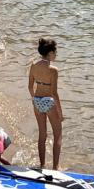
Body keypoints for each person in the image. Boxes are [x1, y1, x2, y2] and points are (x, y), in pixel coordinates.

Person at [28, 37, 63, 170]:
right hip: (49, 102)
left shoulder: (33, 65)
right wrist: (60, 112)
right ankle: (56, 167)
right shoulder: (53, 70)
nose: (56, 55)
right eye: (55, 52)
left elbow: (30, 87)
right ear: (49, 53)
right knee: (58, 134)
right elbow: (54, 93)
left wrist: (35, 99)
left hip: (37, 101)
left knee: (42, 134)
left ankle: (42, 165)